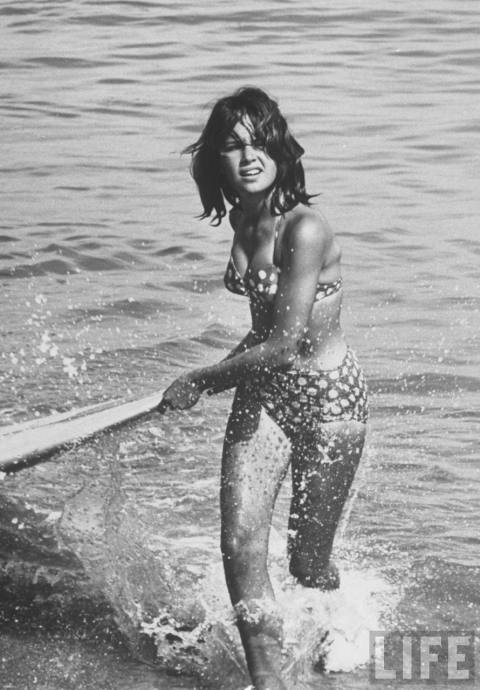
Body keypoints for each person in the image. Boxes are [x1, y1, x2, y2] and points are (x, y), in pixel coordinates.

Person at [158, 87, 368, 690]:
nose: (249, 157)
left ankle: (343, 624)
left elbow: (287, 344)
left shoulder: (306, 228)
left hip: (330, 402)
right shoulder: (243, 219)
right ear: (216, 160)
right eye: (232, 146)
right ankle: (266, 679)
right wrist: (211, 376)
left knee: (306, 562)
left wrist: (200, 379)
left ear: (280, 149)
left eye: (259, 143)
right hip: (265, 398)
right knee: (239, 543)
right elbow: (262, 332)